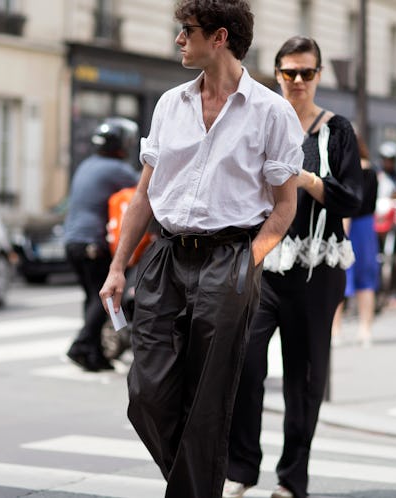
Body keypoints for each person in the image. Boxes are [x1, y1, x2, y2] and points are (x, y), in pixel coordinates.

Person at [98, 1, 305, 497]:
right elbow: (146, 193)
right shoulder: (171, 104)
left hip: (228, 258)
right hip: (166, 257)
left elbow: (283, 207)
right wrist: (118, 267)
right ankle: (198, 487)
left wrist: (247, 262)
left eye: (185, 31)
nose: (177, 40)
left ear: (219, 38)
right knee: (145, 392)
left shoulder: (271, 112)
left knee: (208, 397)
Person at [224, 36, 363, 498]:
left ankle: (291, 480)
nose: (298, 81)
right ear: (277, 74)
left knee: (304, 379)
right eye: (289, 72)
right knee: (244, 366)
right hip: (263, 263)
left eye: (306, 72)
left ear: (319, 75)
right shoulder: (260, 121)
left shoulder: (337, 130)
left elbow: (354, 198)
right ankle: (241, 468)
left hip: (316, 268)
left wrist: (307, 180)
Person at [64, 117, 140, 372]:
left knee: (92, 296)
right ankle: (81, 345)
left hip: (73, 242)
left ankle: (93, 352)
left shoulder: (87, 165)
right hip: (93, 243)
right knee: (105, 296)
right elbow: (146, 190)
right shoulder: (117, 170)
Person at [332, 135, 379, 348]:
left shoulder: (348, 171)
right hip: (368, 228)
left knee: (339, 277)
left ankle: (336, 330)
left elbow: (348, 204)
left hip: (350, 226)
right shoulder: (372, 171)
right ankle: (365, 330)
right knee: (366, 280)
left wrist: (343, 230)